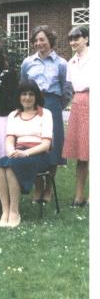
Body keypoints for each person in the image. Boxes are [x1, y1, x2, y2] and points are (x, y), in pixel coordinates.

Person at [20, 25, 72, 203]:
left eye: (42, 39)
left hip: (53, 105)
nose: (38, 43)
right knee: (33, 143)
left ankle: (49, 187)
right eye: (35, 40)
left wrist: (56, 105)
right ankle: (38, 186)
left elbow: (67, 89)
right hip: (33, 106)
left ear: (50, 40)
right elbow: (23, 86)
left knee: (53, 147)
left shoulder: (61, 63)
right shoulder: (27, 62)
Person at [0, 80, 53, 228]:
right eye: (24, 94)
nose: (27, 97)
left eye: (31, 94)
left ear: (36, 96)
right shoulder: (13, 114)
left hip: (38, 154)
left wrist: (25, 153)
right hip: (18, 152)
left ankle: (14, 212)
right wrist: (11, 151)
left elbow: (46, 144)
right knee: (1, 165)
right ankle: (5, 211)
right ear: (19, 97)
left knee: (11, 166)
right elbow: (9, 140)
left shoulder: (45, 114)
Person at [63, 25, 89, 208]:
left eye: (77, 38)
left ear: (86, 39)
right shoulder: (70, 63)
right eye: (71, 39)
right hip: (78, 102)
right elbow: (72, 87)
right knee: (81, 154)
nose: (73, 42)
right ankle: (79, 196)